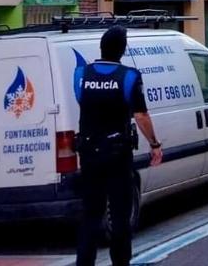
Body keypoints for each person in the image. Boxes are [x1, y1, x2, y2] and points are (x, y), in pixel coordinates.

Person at [75, 26, 163, 266]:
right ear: (122, 50)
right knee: (120, 215)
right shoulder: (129, 76)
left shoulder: (81, 74)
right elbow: (142, 116)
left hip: (89, 154)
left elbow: (82, 101)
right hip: (117, 155)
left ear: (101, 48)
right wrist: (154, 144)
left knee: (90, 216)